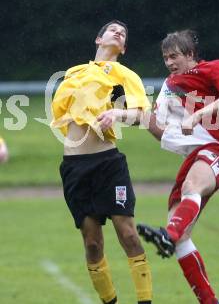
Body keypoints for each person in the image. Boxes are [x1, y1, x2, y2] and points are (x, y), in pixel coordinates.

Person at [137, 29, 219, 304]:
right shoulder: (170, 85)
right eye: (165, 58)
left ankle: (167, 235)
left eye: (174, 56)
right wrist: (124, 113)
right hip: (197, 155)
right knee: (182, 231)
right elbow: (162, 131)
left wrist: (199, 114)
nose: (169, 63)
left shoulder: (215, 68)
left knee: (190, 188)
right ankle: (211, 302)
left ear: (190, 54)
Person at [51, 20, 152, 304]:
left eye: (123, 33)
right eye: (112, 30)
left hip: (108, 164)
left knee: (128, 234)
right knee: (92, 242)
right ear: (99, 39)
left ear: (124, 47)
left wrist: (117, 114)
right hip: (74, 168)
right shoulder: (73, 75)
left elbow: (140, 116)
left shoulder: (123, 76)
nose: (118, 32)